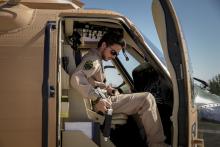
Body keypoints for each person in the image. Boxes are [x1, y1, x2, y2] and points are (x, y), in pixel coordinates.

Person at [70, 31, 167, 147]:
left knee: (139, 103)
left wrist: (106, 87)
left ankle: (145, 140)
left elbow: (89, 80)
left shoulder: (96, 58)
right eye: (113, 52)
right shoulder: (93, 60)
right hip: (101, 103)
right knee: (147, 99)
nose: (114, 56)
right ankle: (157, 144)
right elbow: (76, 78)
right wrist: (96, 98)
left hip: (103, 98)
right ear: (104, 45)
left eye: (116, 54)